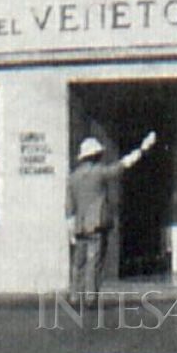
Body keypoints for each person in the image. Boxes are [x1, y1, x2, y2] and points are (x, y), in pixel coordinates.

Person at [66, 130, 156, 304]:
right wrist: (142, 149)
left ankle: (74, 295)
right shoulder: (99, 173)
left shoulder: (73, 178)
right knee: (94, 261)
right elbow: (122, 165)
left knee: (78, 261)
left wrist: (71, 229)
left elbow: (69, 207)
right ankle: (91, 296)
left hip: (79, 225)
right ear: (95, 155)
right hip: (97, 223)